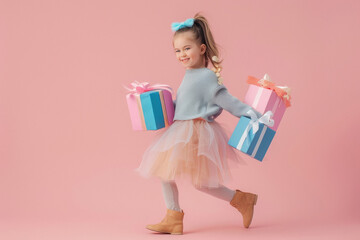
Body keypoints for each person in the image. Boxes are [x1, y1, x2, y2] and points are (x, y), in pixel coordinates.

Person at [134, 13, 264, 235]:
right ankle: (174, 217)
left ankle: (241, 200)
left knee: (197, 181)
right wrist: (161, 103)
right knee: (167, 172)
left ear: (202, 49)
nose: (181, 54)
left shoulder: (206, 77)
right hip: (182, 128)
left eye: (187, 49)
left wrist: (252, 113)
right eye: (177, 50)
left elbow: (227, 100)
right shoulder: (190, 74)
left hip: (196, 132)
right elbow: (186, 104)